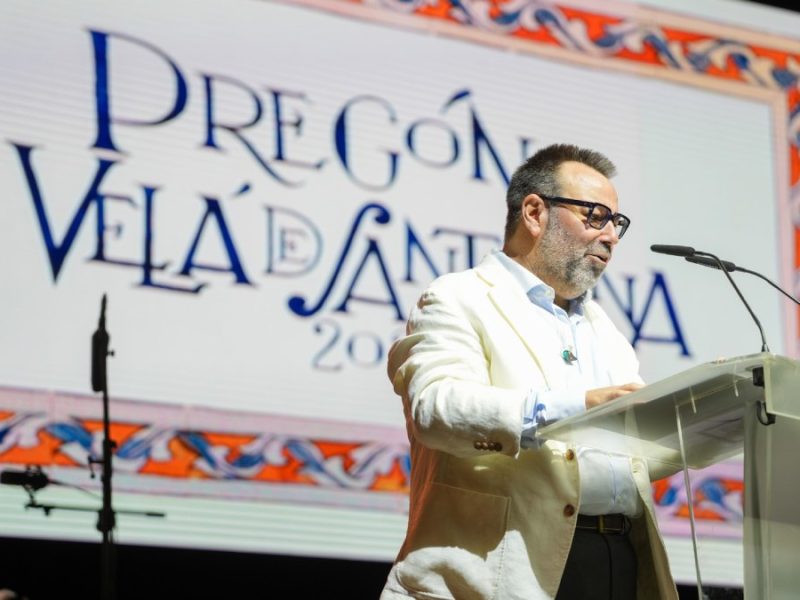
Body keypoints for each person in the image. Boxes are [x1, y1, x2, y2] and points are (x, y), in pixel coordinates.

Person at [380, 144, 678, 600]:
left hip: (619, 561)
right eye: (595, 216)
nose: (611, 237)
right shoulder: (458, 297)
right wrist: (577, 408)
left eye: (615, 223)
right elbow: (435, 409)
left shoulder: (605, 330)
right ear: (535, 212)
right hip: (503, 571)